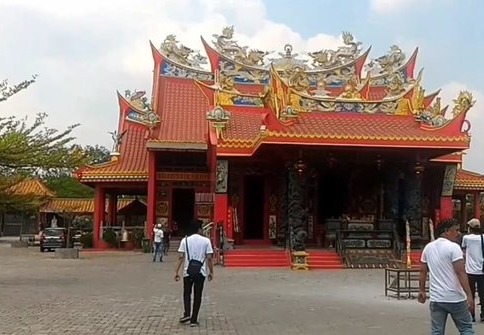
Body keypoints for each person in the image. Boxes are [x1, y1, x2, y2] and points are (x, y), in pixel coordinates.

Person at [418, 218, 475, 334]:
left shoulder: (428, 248)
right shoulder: (453, 247)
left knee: (437, 331)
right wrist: (469, 295)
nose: (459, 233)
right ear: (447, 231)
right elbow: (461, 272)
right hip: (455, 298)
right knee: (466, 329)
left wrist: (422, 290)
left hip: (437, 298)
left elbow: (423, 271)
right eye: (456, 230)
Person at [174, 219, 213, 327]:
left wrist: (176, 271)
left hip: (188, 271)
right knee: (197, 295)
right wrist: (211, 272)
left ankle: (187, 313)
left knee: (187, 293)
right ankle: (194, 320)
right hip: (200, 272)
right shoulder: (206, 241)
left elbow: (181, 257)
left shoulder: (184, 240)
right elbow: (209, 258)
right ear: (199, 229)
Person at [462, 218, 484, 323]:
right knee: (483, 295)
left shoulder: (466, 238)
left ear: (470, 228)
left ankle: (472, 315)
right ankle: (483, 315)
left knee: (470, 294)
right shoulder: (483, 238)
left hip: (470, 271)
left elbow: (463, 249)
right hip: (482, 271)